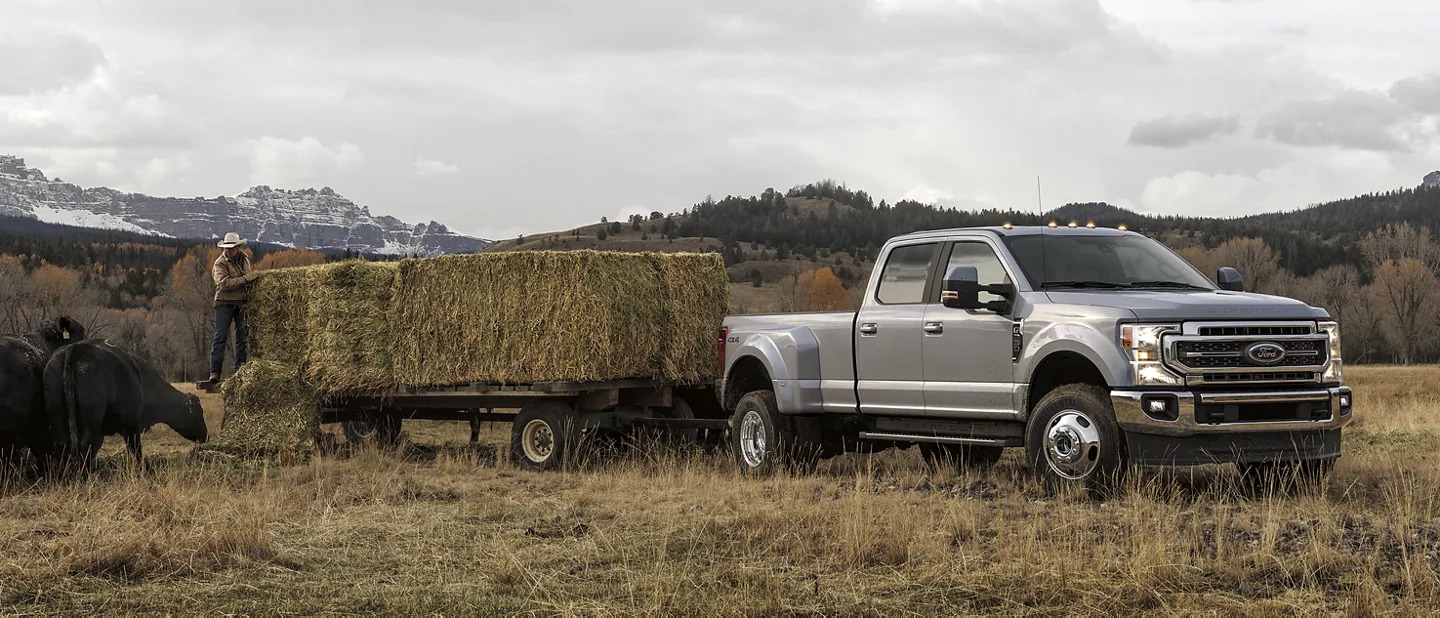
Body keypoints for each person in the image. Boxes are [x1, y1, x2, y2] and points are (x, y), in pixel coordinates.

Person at [209, 232, 262, 383]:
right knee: (220, 337)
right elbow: (224, 283)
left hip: (241, 302)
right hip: (224, 302)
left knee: (242, 337)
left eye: (232, 247)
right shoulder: (220, 263)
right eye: (227, 248)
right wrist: (245, 279)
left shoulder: (244, 259)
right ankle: (214, 372)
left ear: (238, 247)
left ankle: (240, 370)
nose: (229, 250)